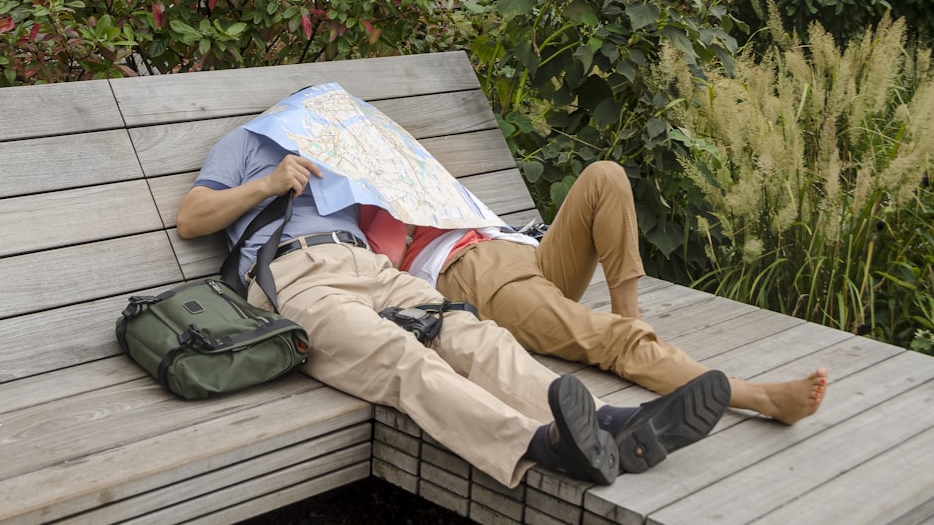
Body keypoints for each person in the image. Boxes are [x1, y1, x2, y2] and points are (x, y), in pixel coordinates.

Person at [176, 120, 731, 490]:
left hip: (371, 267)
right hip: (293, 277)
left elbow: (404, 221)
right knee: (401, 358)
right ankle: (546, 445)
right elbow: (192, 217)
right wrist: (269, 183)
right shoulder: (246, 144)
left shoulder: (340, 150)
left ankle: (608, 422)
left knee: (472, 334)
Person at [361, 161, 828, 426]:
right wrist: (382, 204)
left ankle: (630, 313)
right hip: (477, 276)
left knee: (605, 175)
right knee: (608, 340)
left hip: (524, 249)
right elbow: (380, 267)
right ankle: (759, 397)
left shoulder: (417, 172)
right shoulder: (361, 202)